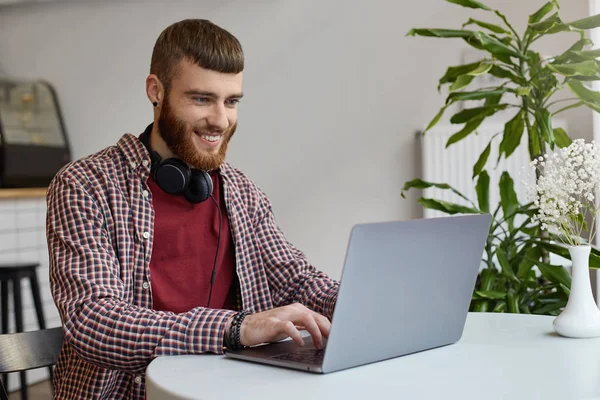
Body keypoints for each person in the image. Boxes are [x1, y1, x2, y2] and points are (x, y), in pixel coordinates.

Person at [46, 18, 339, 399]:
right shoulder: (85, 185)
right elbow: (94, 320)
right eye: (201, 98)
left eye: (231, 101)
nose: (220, 119)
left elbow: (296, 279)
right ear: (156, 91)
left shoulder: (241, 190)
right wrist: (235, 328)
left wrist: (364, 304)